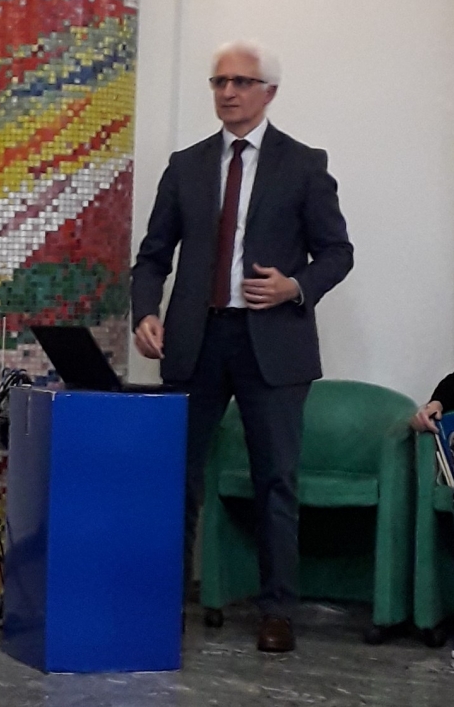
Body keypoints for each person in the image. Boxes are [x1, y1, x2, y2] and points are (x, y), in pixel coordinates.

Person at [131, 40, 354, 652]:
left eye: (240, 82)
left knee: (275, 480)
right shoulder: (186, 165)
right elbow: (153, 256)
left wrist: (294, 286)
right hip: (196, 339)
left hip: (272, 343)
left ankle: (277, 610)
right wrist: (145, 311)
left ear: (269, 92)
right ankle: (164, 606)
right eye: (219, 82)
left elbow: (337, 252)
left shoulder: (303, 164)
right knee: (176, 477)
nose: (227, 92)